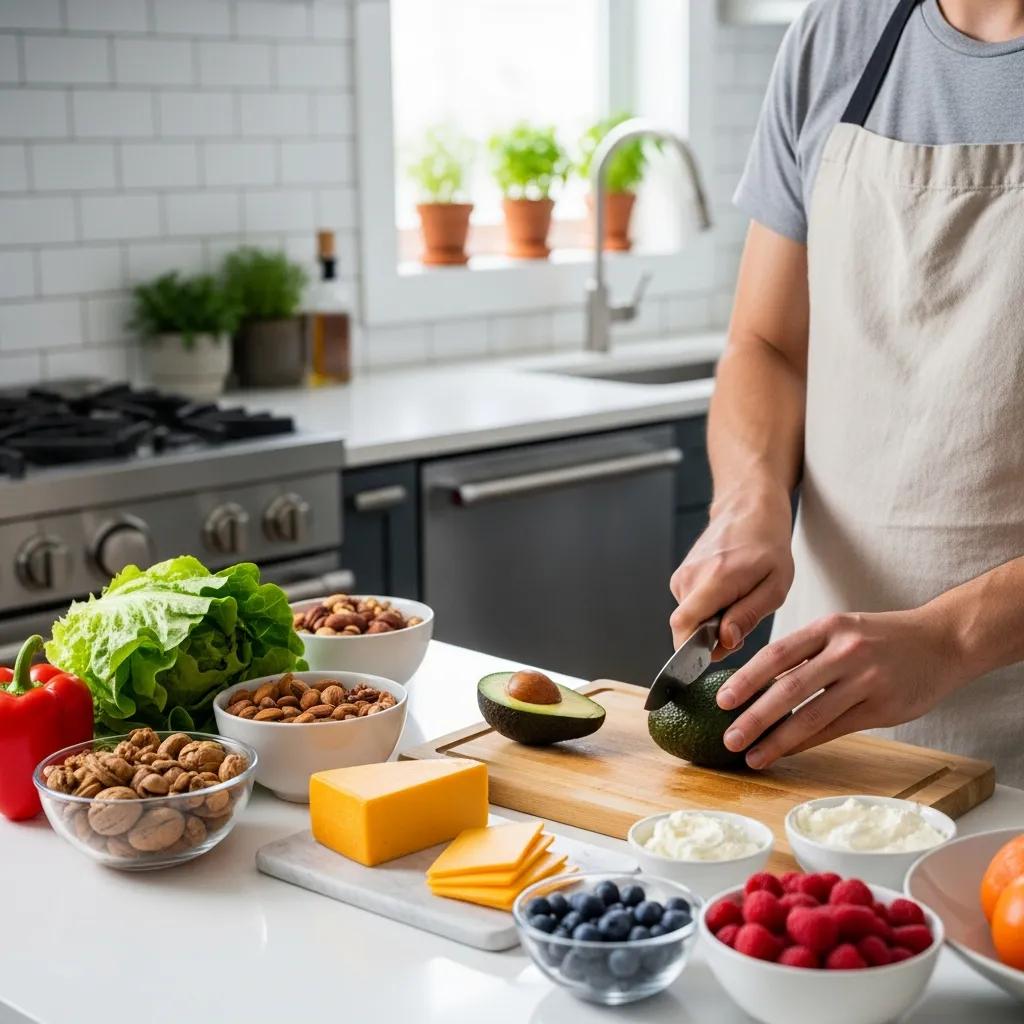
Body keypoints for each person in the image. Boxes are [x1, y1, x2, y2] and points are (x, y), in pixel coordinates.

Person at [669, 0, 1024, 787]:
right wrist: (750, 499)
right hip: (821, 746)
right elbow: (765, 344)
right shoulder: (837, 35)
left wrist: (952, 638)